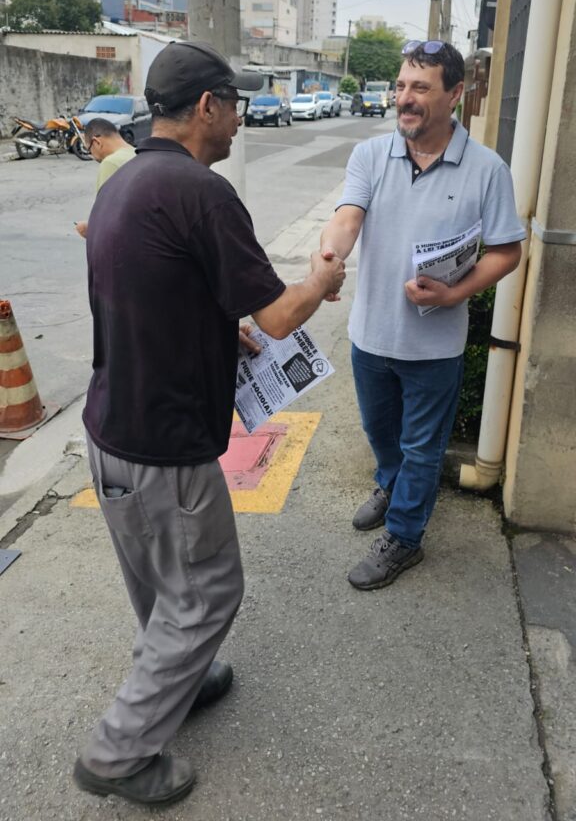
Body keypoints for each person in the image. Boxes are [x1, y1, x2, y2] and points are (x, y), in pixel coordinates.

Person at [73, 40, 345, 807]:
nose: (239, 122)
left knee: (160, 586)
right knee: (208, 591)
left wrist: (222, 327)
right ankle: (120, 752)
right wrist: (321, 278)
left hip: (109, 429)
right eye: (236, 107)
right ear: (206, 107)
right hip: (165, 444)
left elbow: (148, 288)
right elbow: (282, 314)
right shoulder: (202, 192)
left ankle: (180, 684)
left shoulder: (122, 181)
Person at [320, 39, 525, 592]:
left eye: (420, 88)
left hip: (435, 348)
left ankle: (405, 537)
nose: (404, 99)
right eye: (401, 86)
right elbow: (347, 216)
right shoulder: (370, 155)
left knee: (422, 448)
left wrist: (456, 294)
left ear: (455, 95)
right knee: (380, 433)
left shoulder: (487, 169)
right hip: (370, 336)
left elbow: (507, 251)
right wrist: (329, 256)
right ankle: (391, 485)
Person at [75, 118, 136, 238]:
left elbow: (105, 220)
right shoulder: (138, 153)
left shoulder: (110, 163)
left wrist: (87, 229)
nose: (92, 156)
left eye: (89, 150)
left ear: (97, 142)